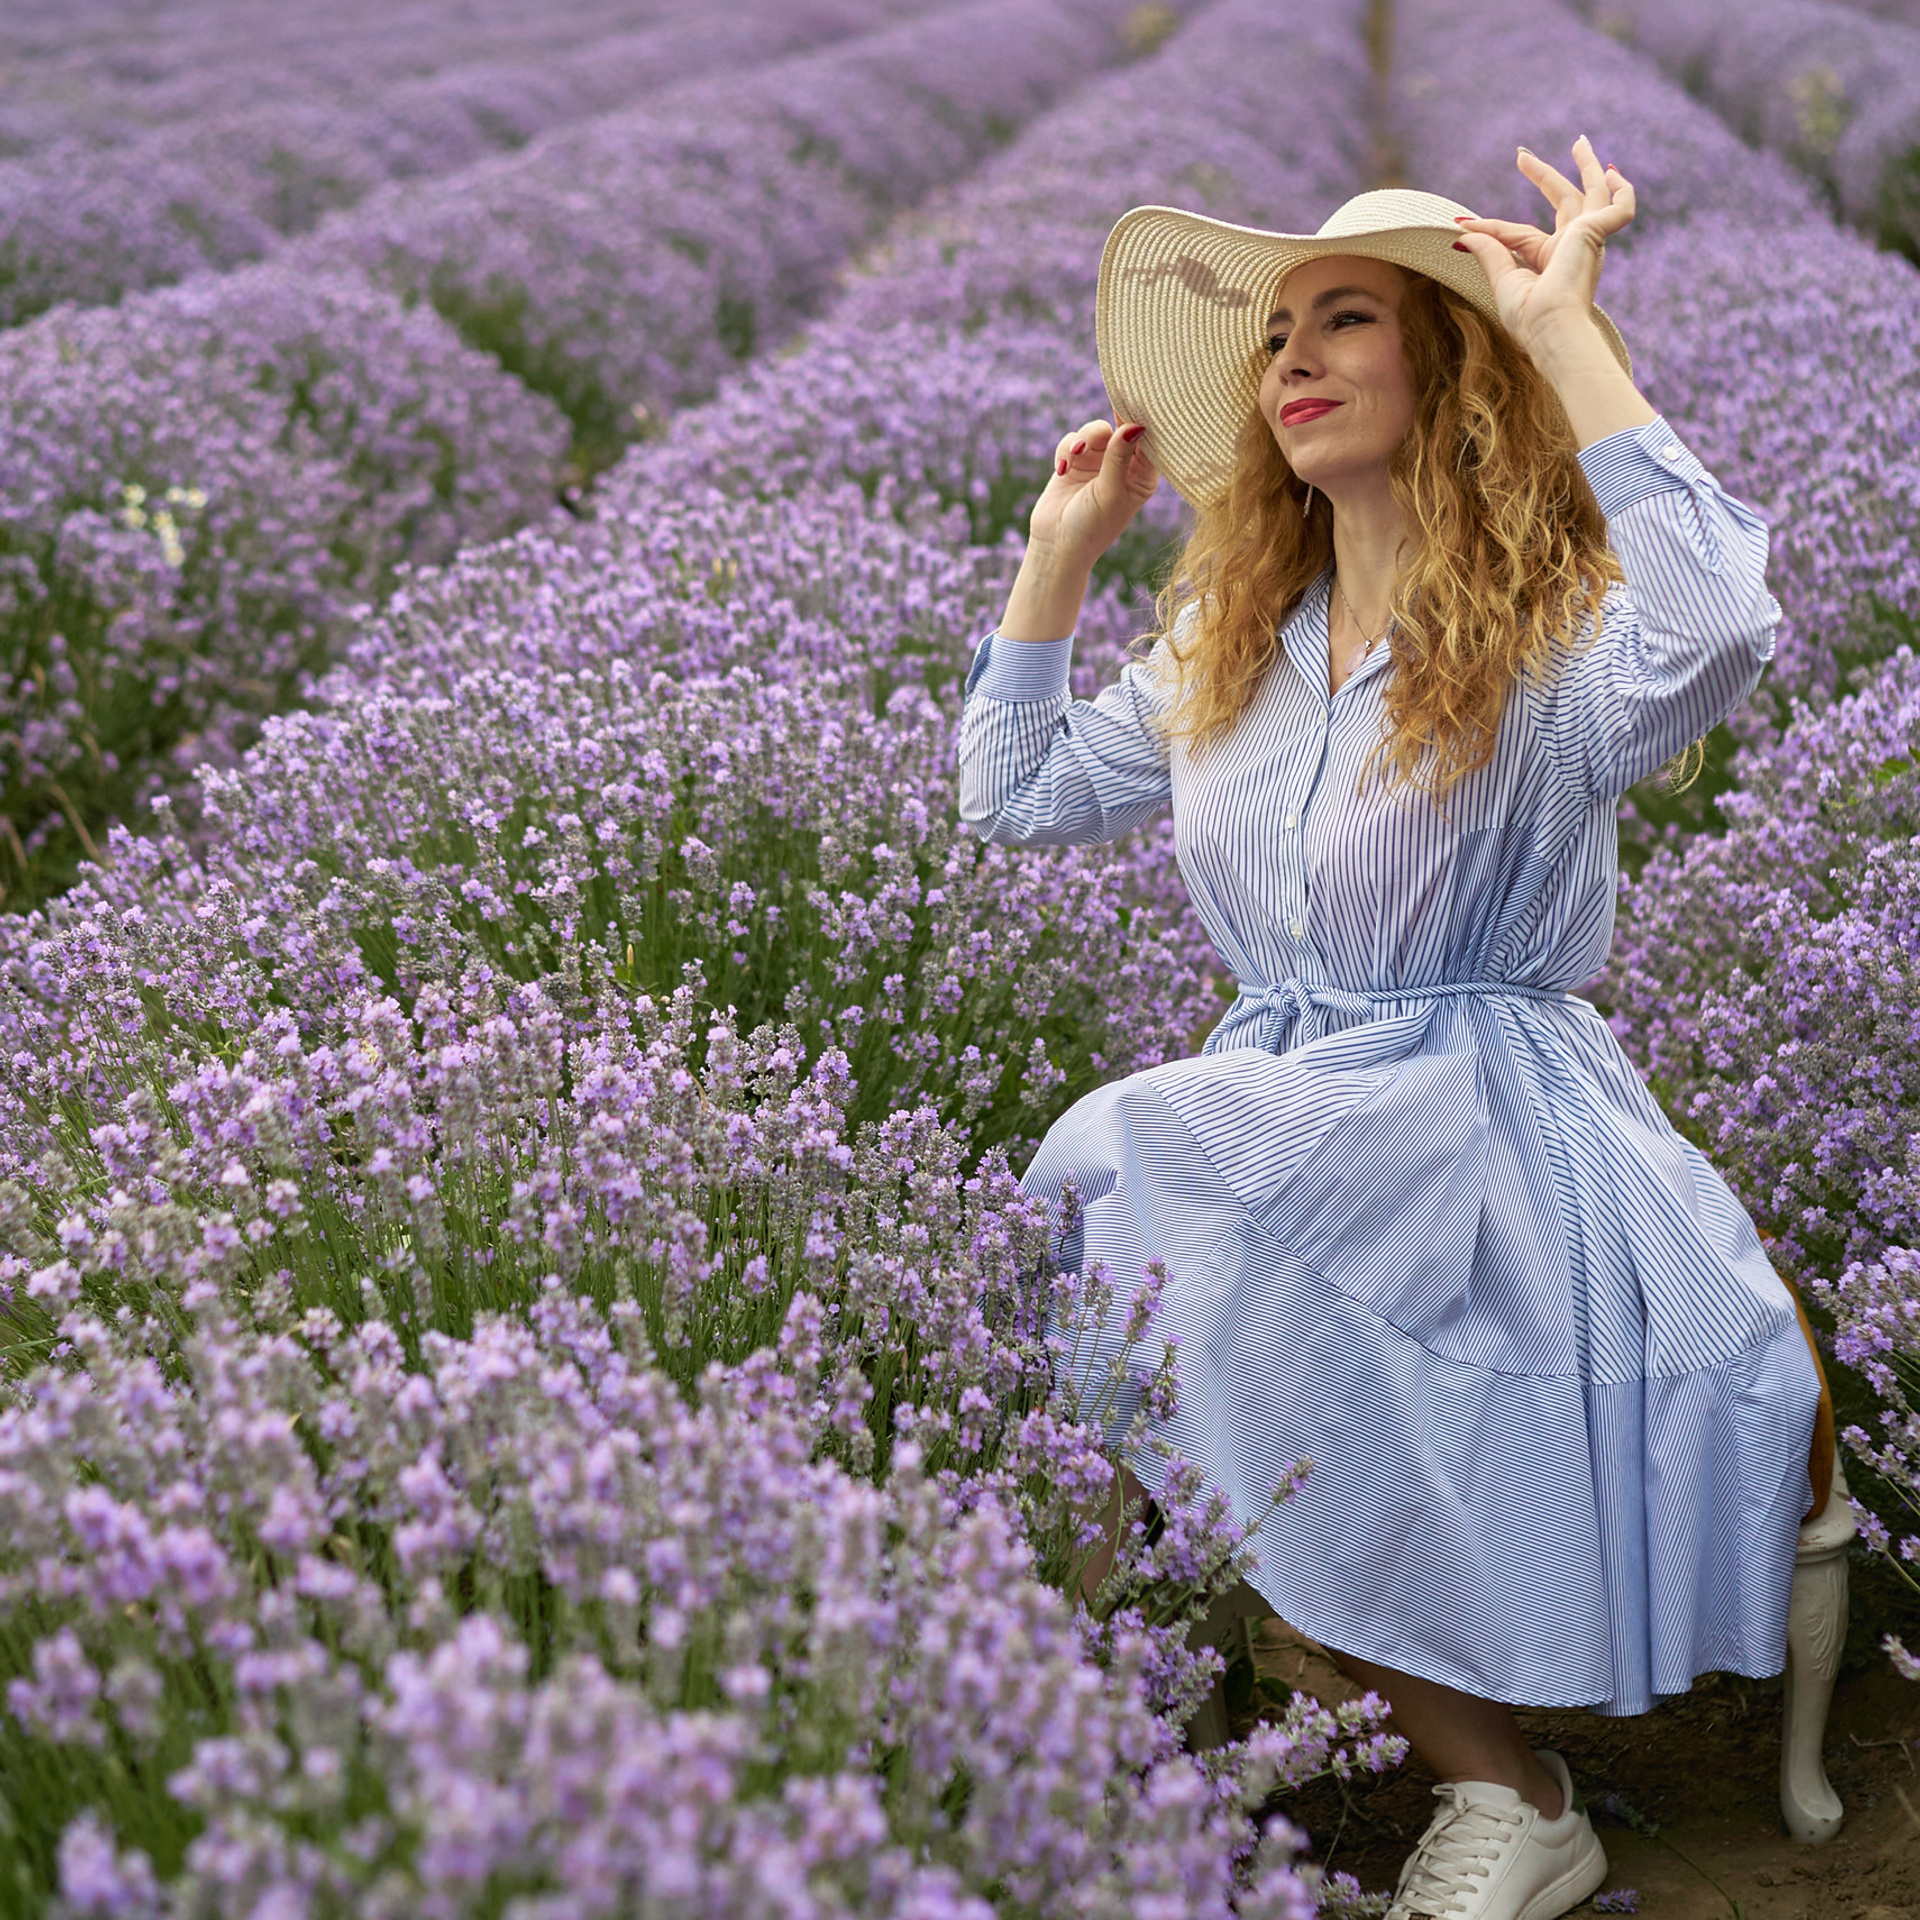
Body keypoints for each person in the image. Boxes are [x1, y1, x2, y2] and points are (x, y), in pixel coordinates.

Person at [956, 139, 1823, 1920]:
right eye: (1273, 334)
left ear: (1448, 365)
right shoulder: (1230, 643)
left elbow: (1726, 620)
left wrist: (1564, 325)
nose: (1289, 359)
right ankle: (1425, 1753)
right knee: (1153, 1180)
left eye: (1343, 319)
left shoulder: (1550, 637)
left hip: (1487, 1129)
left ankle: (1497, 1788)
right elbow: (1014, 794)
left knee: (1131, 1152)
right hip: (1292, 1111)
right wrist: (1059, 556)